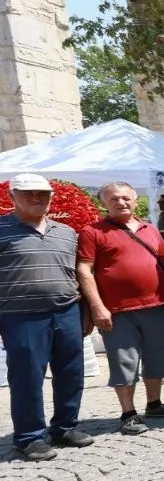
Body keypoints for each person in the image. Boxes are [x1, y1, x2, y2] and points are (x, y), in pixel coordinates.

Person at [77, 181, 164, 436]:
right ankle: (128, 413)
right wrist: (97, 307)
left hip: (156, 305)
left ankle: (154, 404)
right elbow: (84, 270)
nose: (121, 202)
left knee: (158, 357)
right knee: (124, 361)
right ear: (104, 203)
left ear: (135, 200)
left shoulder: (149, 229)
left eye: (126, 198)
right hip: (117, 310)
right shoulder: (92, 231)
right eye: (113, 199)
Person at [0, 173, 91, 460]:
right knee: (26, 377)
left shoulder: (66, 232)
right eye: (29, 193)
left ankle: (64, 427)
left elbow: (76, 274)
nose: (37, 198)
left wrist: (86, 312)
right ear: (12, 196)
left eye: (43, 193)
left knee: (71, 373)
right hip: (20, 316)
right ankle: (29, 437)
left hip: (66, 312)